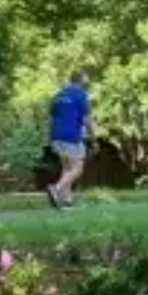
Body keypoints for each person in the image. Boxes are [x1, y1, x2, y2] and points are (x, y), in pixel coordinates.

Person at [46, 71, 91, 209]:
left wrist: (49, 138)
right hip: (71, 136)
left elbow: (52, 118)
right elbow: (86, 119)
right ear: (81, 81)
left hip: (56, 135)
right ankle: (56, 189)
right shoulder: (81, 94)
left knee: (67, 168)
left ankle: (67, 200)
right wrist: (93, 137)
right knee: (78, 169)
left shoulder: (58, 95)